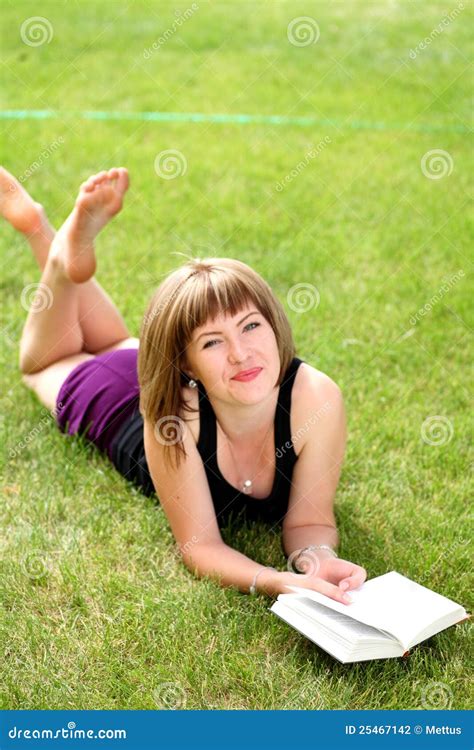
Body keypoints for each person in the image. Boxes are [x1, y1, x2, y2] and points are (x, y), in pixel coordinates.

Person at [2, 166, 366, 601]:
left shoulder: (316, 397)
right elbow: (200, 548)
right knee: (44, 363)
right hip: (113, 398)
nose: (240, 353)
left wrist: (318, 560)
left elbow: (310, 522)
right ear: (186, 362)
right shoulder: (173, 418)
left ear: (274, 326)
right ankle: (57, 258)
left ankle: (51, 240)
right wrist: (276, 581)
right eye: (213, 341)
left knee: (116, 340)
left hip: (152, 358)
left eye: (250, 326)